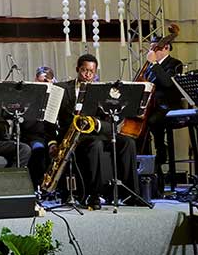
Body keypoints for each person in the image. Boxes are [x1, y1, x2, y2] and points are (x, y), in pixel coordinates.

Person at [49, 54, 139, 210]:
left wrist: (96, 124)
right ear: (77, 69)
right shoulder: (62, 88)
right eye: (84, 70)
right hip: (75, 137)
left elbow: (111, 123)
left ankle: (130, 194)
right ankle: (94, 194)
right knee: (95, 145)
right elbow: (50, 119)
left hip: (98, 131)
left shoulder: (102, 91)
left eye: (91, 71)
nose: (88, 75)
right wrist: (52, 142)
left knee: (128, 142)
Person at [144, 39, 184, 194]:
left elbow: (167, 83)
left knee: (152, 121)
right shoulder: (150, 67)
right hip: (153, 106)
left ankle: (161, 152)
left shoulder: (175, 64)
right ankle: (148, 165)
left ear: (166, 47)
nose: (151, 52)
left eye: (154, 48)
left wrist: (154, 64)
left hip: (168, 106)